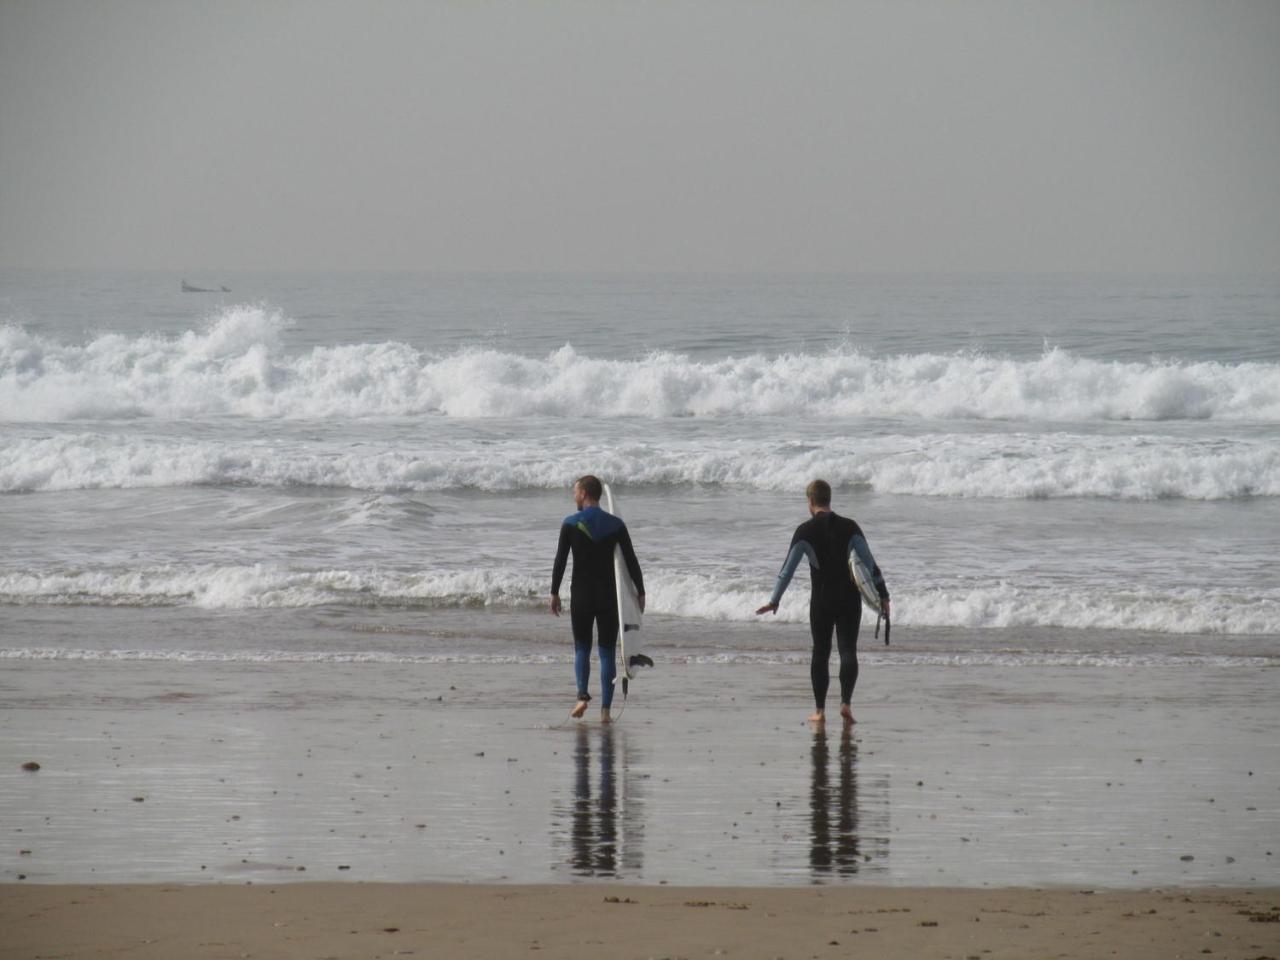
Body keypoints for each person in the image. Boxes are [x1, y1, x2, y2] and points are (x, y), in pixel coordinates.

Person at [756, 479, 889, 725]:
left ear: (810, 502)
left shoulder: (804, 531)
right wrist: (884, 596)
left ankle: (819, 711)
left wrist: (774, 600)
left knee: (821, 653)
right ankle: (846, 704)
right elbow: (871, 565)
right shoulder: (851, 527)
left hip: (822, 601)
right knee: (848, 650)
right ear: (829, 499)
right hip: (849, 600)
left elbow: (786, 571)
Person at [551, 475, 645, 722]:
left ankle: (582, 697)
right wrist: (640, 592)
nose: (574, 497)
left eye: (575, 492)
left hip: (581, 595)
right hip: (608, 597)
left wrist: (554, 592)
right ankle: (605, 711)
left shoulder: (570, 523)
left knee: (581, 648)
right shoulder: (615, 524)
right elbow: (631, 560)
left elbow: (560, 561)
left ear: (583, 493)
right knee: (606, 652)